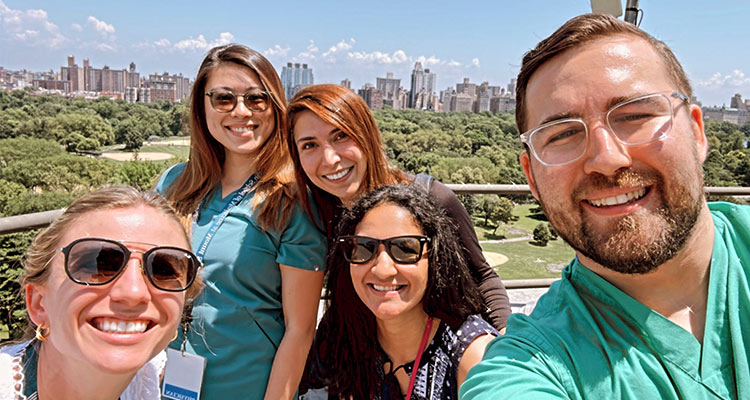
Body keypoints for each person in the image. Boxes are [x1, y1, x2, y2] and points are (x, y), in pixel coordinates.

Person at [460, 13, 750, 399]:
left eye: (635, 115)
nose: (606, 159)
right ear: (531, 177)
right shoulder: (526, 366)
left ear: (697, 133)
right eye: (563, 134)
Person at [155, 44, 326, 399]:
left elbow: (299, 331)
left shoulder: (292, 202)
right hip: (166, 381)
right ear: (202, 106)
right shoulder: (173, 183)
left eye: (256, 99)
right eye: (223, 99)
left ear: (274, 106)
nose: (241, 111)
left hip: (249, 387)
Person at [287, 83, 511, 331]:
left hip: (439, 348)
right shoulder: (315, 216)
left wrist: (507, 340)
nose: (330, 159)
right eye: (309, 145)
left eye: (340, 136)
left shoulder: (431, 198)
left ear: (366, 134)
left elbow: (483, 278)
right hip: (359, 351)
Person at [0, 186, 202, 400]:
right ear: (39, 303)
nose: (133, 292)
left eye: (163, 270)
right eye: (96, 264)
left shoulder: (149, 379)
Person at [308, 184, 496, 399]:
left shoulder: (474, 358)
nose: (382, 270)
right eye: (364, 247)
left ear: (436, 258)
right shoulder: (347, 339)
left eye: (405, 249)